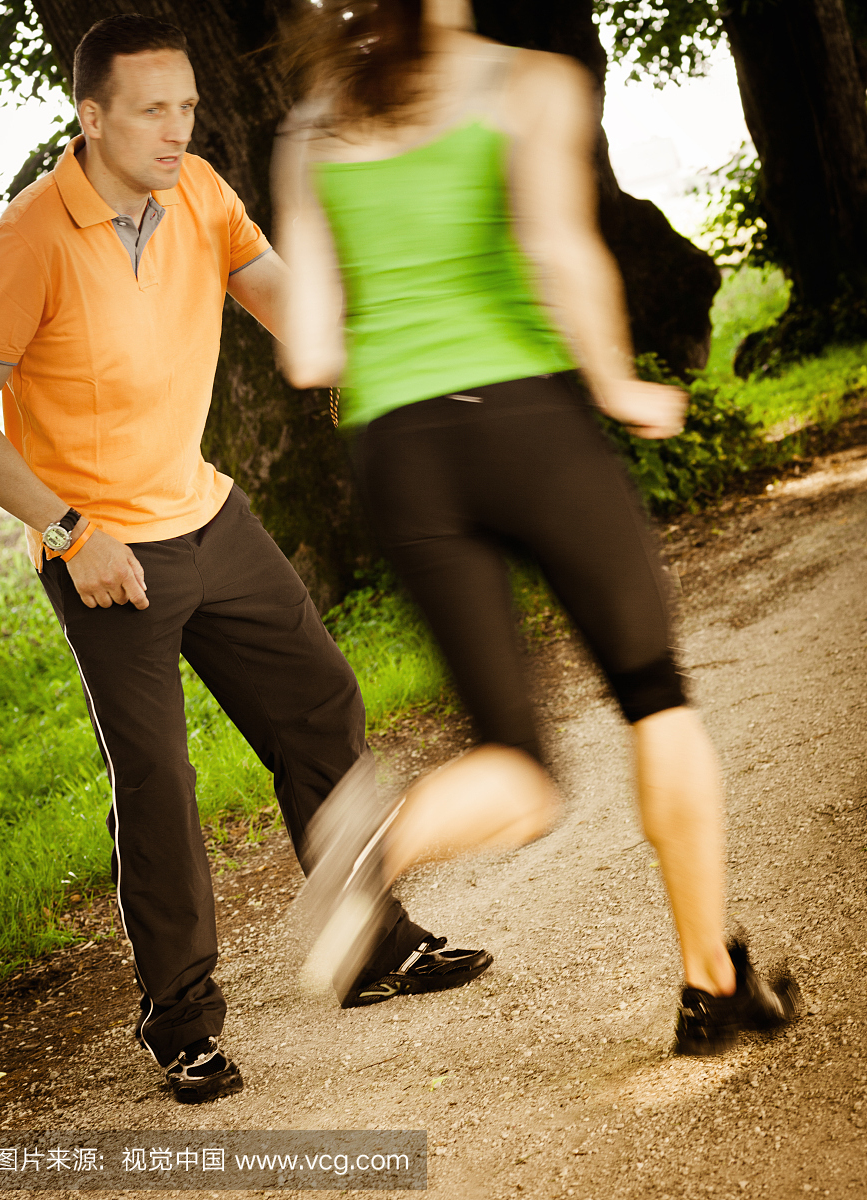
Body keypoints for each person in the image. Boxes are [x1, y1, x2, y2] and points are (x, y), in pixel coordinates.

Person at [0, 12, 491, 1105]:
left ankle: (371, 943)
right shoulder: (29, 240)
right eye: (153, 109)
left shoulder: (197, 190)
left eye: (189, 105)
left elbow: (286, 308)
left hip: (208, 515)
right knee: (158, 784)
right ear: (92, 114)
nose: (177, 127)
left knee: (320, 706)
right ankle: (181, 1020)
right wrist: (68, 531)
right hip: (105, 553)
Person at [272, 0, 801, 1054]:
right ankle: (710, 983)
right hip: (526, 428)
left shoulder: (308, 129)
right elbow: (558, 251)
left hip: (396, 453)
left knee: (516, 764)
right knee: (656, 698)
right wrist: (616, 382)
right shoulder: (528, 82)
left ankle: (375, 851)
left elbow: (311, 351)